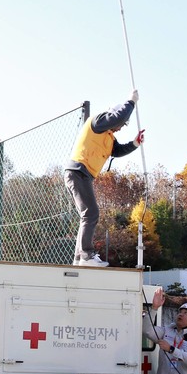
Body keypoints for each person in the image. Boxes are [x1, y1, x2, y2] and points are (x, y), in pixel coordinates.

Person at [64, 91, 144, 266]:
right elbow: (117, 117)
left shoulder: (108, 137)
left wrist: (135, 143)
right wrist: (131, 102)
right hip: (77, 171)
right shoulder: (98, 122)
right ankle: (86, 255)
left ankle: (80, 257)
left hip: (83, 175)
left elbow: (117, 151)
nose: (120, 128)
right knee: (90, 213)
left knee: (88, 215)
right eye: (121, 124)